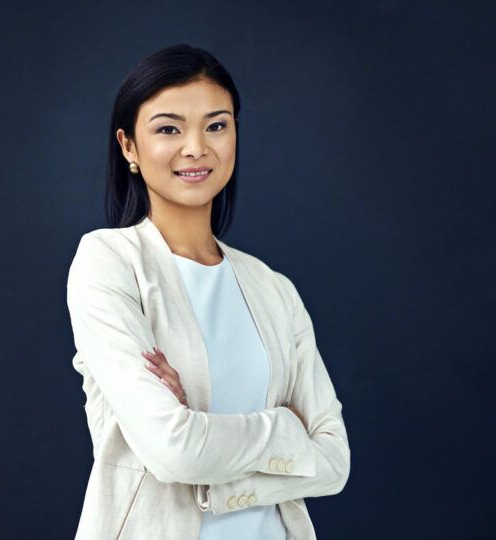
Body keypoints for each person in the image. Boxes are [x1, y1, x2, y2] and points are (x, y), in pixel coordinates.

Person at [66, 44, 350, 540]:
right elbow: (172, 449)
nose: (196, 147)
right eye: (169, 128)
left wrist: (200, 428)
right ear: (129, 146)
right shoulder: (109, 262)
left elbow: (332, 461)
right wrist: (284, 431)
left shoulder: (273, 288)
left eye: (216, 125)